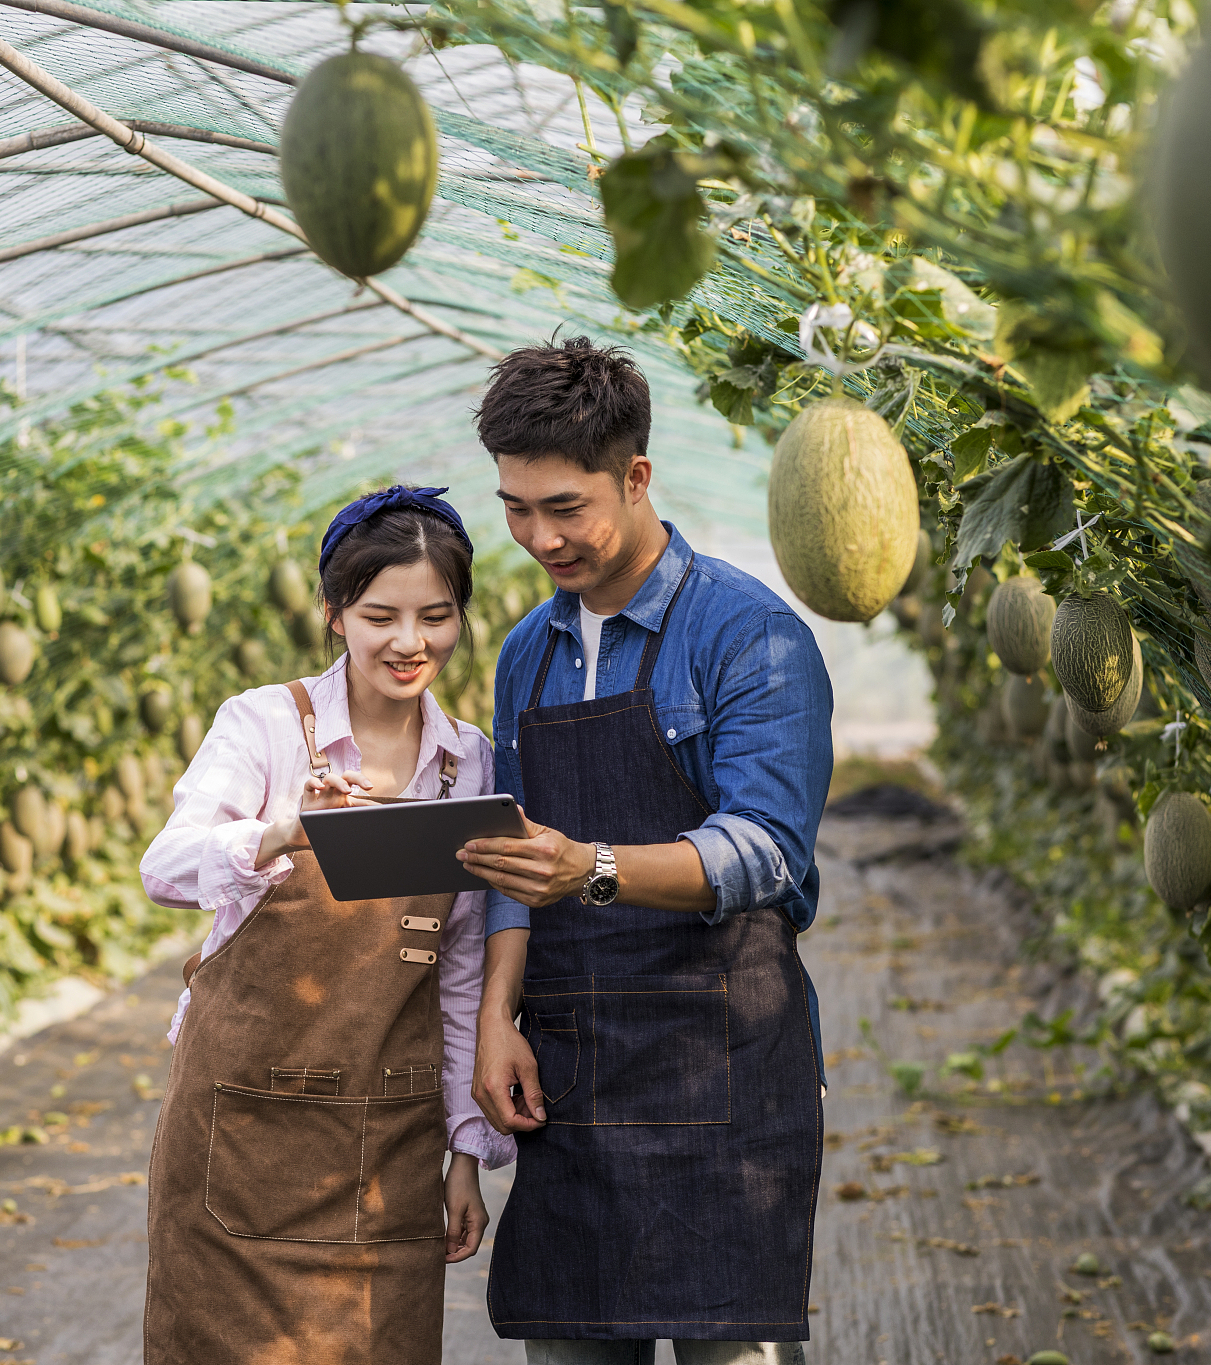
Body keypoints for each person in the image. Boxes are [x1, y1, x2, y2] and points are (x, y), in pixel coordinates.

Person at [457, 338, 833, 1364]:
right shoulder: (526, 652)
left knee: (729, 1351)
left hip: (721, 1067)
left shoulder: (747, 636)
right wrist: (493, 1022)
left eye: (564, 507)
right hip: (574, 1072)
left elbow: (766, 851)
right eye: (514, 508)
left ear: (635, 478)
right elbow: (508, 856)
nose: (537, 537)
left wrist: (596, 868)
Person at [138, 485, 516, 1365]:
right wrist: (280, 830)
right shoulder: (267, 725)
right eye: (381, 614)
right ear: (334, 613)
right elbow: (166, 866)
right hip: (239, 1145)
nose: (410, 642)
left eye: (436, 615)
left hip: (389, 1152)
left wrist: (467, 1150)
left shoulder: (469, 766)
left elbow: (457, 970)